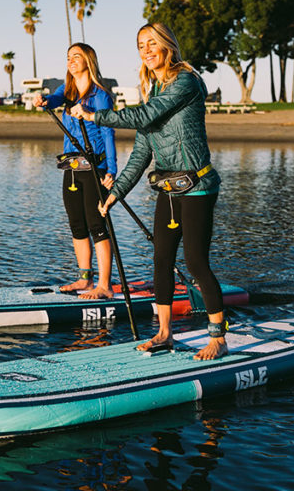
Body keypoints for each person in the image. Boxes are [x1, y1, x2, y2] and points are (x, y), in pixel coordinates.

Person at [69, 23, 227, 360]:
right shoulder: (153, 92)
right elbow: (141, 153)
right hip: (168, 187)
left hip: (197, 186)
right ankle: (165, 334)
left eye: (152, 43)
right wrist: (115, 194)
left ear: (168, 45)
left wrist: (96, 115)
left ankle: (218, 337)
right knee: (161, 260)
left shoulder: (185, 81)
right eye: (141, 45)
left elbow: (147, 115)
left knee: (196, 261)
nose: (146, 50)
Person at [33, 43, 118, 300]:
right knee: (76, 224)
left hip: (95, 166)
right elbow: (55, 99)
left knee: (96, 224)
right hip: (71, 166)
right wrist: (44, 100)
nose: (71, 60)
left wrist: (111, 170)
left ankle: (104, 285)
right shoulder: (66, 90)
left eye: (76, 56)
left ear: (89, 60)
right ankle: (84, 279)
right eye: (68, 56)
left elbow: (108, 131)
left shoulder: (100, 95)